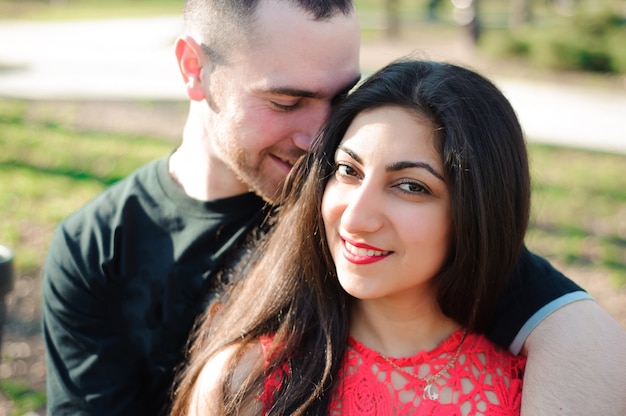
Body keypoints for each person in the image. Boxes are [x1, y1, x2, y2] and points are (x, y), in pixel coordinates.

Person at [40, 0, 626, 415]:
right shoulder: (97, 247)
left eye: (340, 97)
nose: (323, 137)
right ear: (195, 69)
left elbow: (571, 328)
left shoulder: (366, 216)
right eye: (287, 100)